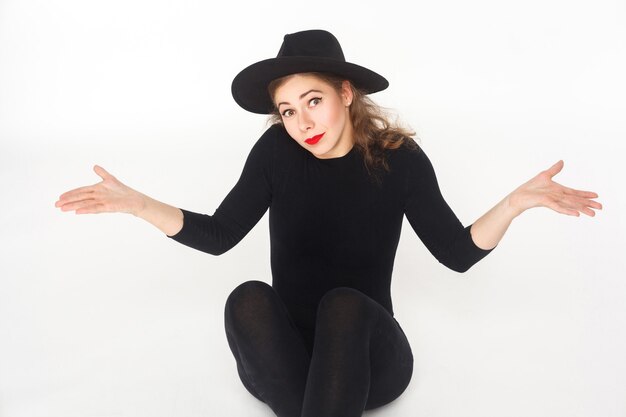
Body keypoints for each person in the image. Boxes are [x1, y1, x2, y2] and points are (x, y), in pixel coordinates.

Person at [54, 29, 602, 417]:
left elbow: (456, 254)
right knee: (245, 296)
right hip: (288, 359)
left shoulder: (398, 158)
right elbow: (220, 236)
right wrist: (135, 203)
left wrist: (515, 203)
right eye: (288, 110)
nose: (301, 121)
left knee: (342, 301)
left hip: (369, 358)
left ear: (346, 92)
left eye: (312, 100)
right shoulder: (275, 152)